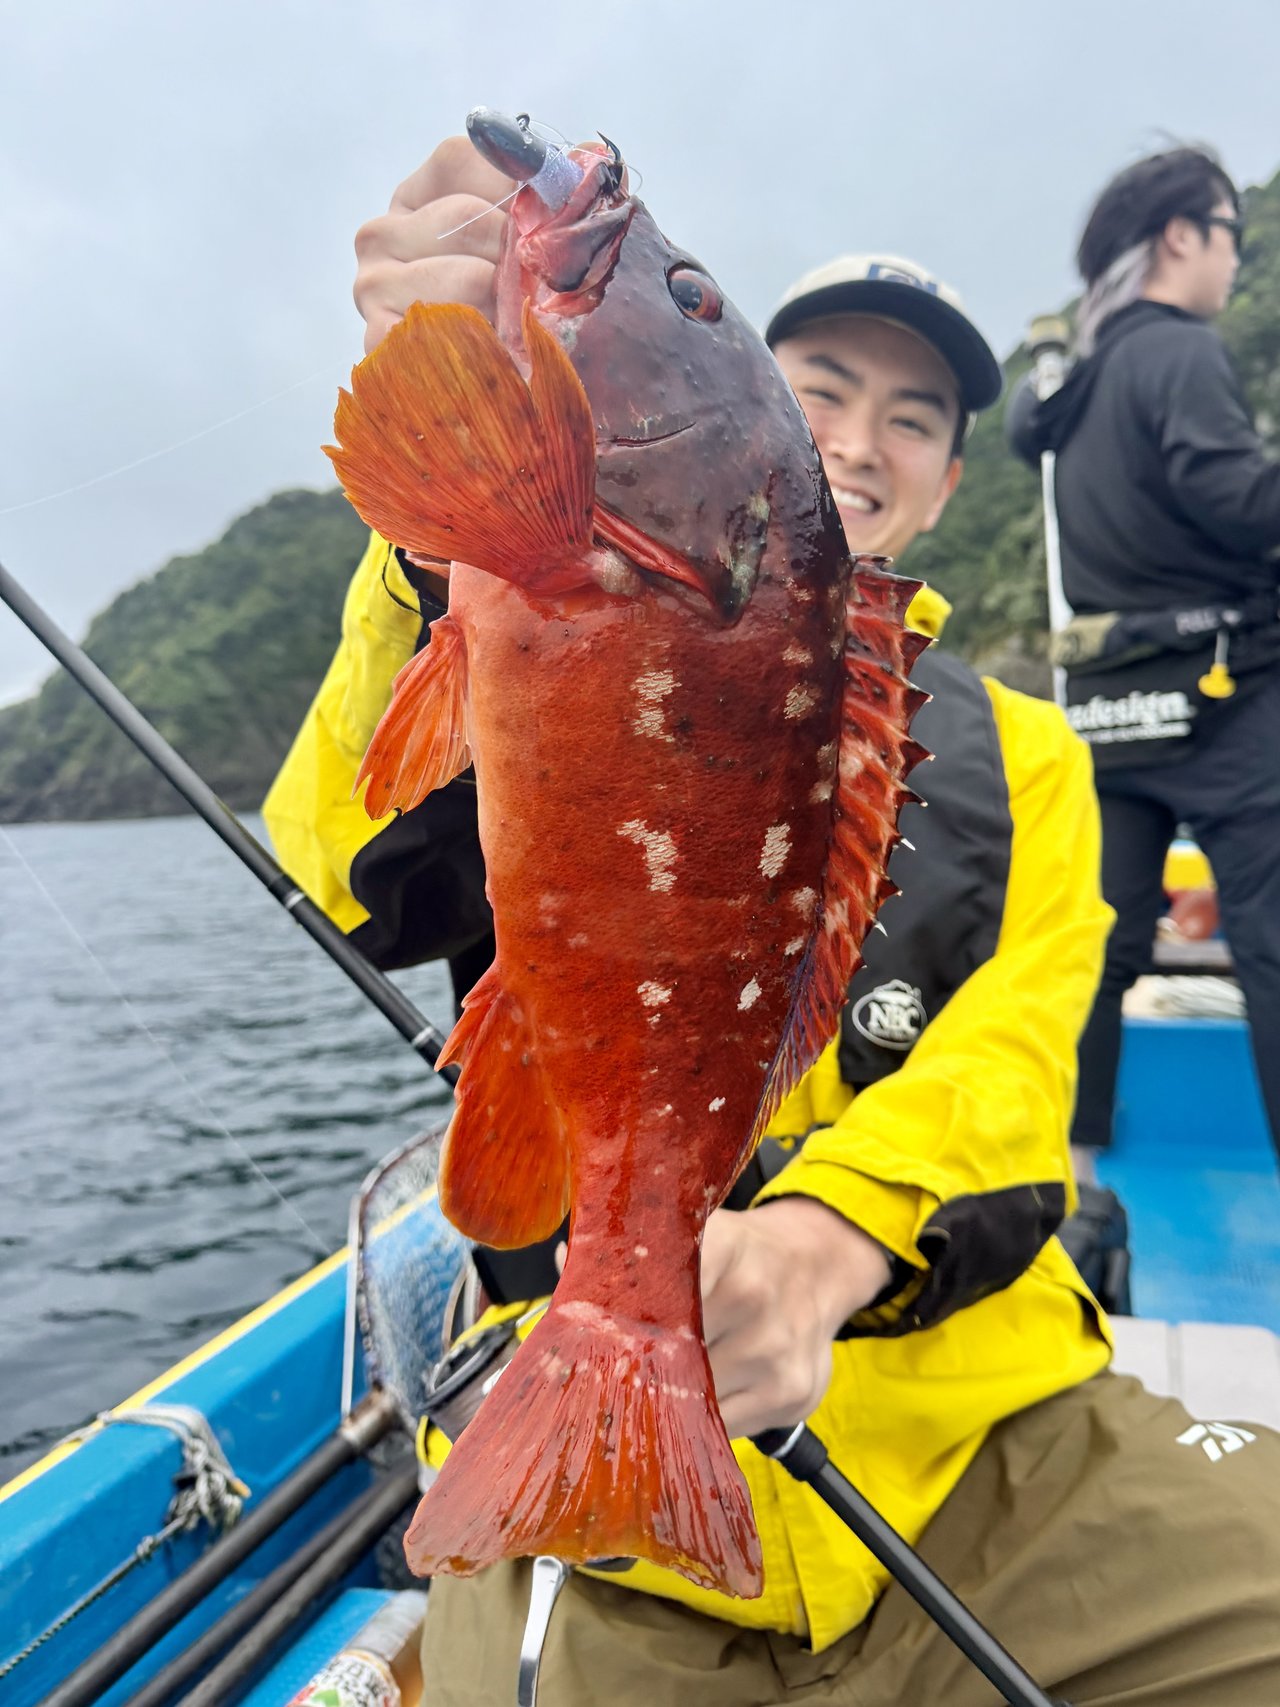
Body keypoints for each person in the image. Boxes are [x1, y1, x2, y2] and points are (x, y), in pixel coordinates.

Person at [267, 137, 1280, 1703]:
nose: (861, 442)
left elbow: (1021, 1054)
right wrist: (435, 536)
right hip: (608, 1518)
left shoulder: (1032, 752)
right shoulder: (502, 584)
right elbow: (350, 870)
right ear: (760, 410)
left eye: (915, 418)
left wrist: (821, 1245)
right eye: (822, 389)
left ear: (951, 481)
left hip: (993, 1444)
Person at [1007, 145, 1280, 1160]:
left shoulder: (1069, 390)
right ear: (1180, 236)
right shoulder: (1179, 350)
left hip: (1112, 709)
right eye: (1228, 235)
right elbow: (1229, 493)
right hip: (1226, 697)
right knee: (1271, 943)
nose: (1233, 260)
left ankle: (1069, 1184)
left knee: (1098, 948)